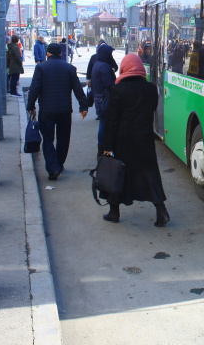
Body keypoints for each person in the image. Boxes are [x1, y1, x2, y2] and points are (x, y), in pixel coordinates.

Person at [101, 53, 169, 226]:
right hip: (144, 140)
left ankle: (114, 212)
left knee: (118, 174)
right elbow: (151, 110)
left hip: (122, 142)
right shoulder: (151, 89)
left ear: (124, 68)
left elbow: (112, 120)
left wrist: (107, 145)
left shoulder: (118, 90)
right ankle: (161, 211)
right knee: (150, 175)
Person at [26, 42, 88, 180]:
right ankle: (59, 164)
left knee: (48, 139)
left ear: (48, 54)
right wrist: (83, 106)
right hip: (65, 110)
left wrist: (30, 105)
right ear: (60, 53)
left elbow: (34, 88)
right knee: (63, 138)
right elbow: (78, 89)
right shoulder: (70, 68)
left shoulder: (41, 67)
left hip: (47, 111)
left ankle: (53, 167)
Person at [90, 43, 117, 155]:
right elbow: (109, 84)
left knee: (103, 122)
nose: (111, 56)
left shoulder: (97, 64)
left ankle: (101, 148)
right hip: (105, 99)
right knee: (105, 123)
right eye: (110, 54)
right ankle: (103, 148)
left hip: (99, 98)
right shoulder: (104, 67)